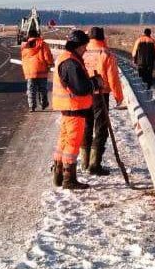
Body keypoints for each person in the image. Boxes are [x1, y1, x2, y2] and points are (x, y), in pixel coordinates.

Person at [51, 29, 97, 190]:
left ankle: (59, 173)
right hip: (74, 108)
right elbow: (80, 88)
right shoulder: (71, 62)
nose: (85, 49)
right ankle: (68, 179)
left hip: (68, 109)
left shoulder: (66, 59)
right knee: (72, 144)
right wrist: (95, 83)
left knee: (63, 142)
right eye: (84, 46)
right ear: (78, 46)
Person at [82, 26, 124, 176]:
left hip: (84, 94)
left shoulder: (83, 53)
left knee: (86, 126)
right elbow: (113, 79)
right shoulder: (106, 54)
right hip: (100, 95)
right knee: (100, 128)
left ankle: (84, 161)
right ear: (103, 38)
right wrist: (119, 97)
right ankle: (94, 164)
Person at [20, 34, 54, 111]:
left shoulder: (25, 46)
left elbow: (23, 58)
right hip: (41, 70)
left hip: (30, 71)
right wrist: (50, 63)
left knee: (31, 89)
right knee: (42, 89)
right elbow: (47, 56)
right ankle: (43, 104)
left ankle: (32, 106)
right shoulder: (42, 44)